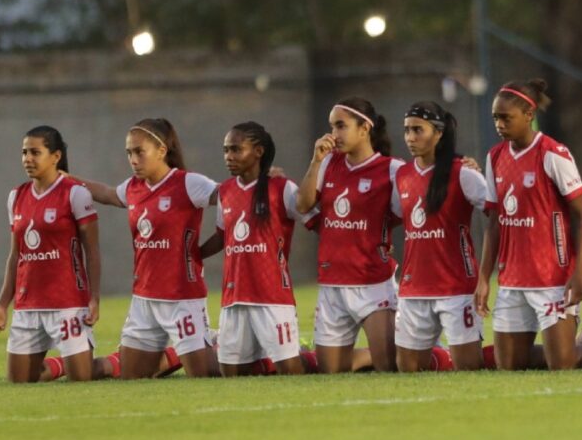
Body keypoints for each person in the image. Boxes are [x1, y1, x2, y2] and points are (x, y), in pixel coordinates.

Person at [474, 79, 582, 371]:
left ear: (528, 115)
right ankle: (570, 343)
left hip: (553, 280)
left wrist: (579, 272)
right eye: (495, 117)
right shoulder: (495, 157)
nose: (499, 123)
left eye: (506, 117)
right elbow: (494, 223)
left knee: (562, 364)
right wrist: (484, 278)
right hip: (511, 281)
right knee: (509, 366)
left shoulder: (552, 153)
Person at [75, 118, 220, 378]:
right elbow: (107, 193)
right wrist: (66, 181)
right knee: (132, 378)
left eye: (139, 151)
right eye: (129, 152)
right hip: (144, 300)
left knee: (205, 375)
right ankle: (182, 353)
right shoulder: (132, 188)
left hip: (182, 300)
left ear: (162, 151)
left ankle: (237, 350)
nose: (133, 159)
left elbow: (229, 196)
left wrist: (261, 183)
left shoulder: (188, 184)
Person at [0, 126, 101, 382]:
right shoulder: (16, 196)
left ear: (55, 156)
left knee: (82, 380)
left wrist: (94, 298)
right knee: (19, 384)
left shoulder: (75, 193)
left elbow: (91, 251)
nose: (27, 158)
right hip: (28, 306)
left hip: (68, 304)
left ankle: (97, 362)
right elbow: (16, 256)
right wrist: (3, 304)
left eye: (35, 152)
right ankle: (59, 365)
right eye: (24, 152)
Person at [296, 98, 402, 373]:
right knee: (330, 372)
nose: (333, 134)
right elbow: (302, 205)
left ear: (365, 128)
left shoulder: (392, 169)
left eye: (341, 126)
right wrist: (315, 161)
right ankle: (364, 355)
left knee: (388, 366)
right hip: (333, 282)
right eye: (332, 126)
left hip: (373, 281)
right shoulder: (329, 162)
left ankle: (428, 350)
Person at [200, 122, 306, 376]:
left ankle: (309, 359)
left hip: (272, 296)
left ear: (258, 151)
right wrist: (193, 254)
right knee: (231, 372)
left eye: (236, 149)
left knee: (290, 370)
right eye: (226, 150)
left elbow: (313, 216)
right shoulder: (225, 191)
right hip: (234, 296)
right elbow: (222, 236)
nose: (229, 157)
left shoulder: (281, 187)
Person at [392, 101, 488, 371]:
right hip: (413, 287)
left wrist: (487, 272)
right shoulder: (402, 175)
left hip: (456, 287)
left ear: (439, 133)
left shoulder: (464, 173)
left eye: (418, 130)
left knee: (469, 367)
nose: (410, 137)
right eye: (407, 130)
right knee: (407, 369)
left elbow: (498, 214)